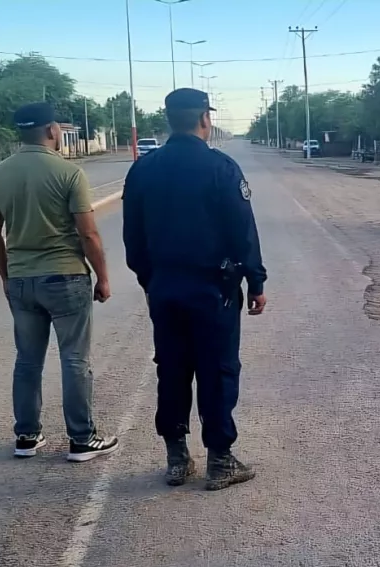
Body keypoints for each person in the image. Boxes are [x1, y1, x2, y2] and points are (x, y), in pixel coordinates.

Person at [123, 88, 268, 488]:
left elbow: (133, 237)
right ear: (205, 118)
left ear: (169, 120)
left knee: (171, 367)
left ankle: (176, 457)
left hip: (165, 288)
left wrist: (149, 279)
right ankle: (220, 460)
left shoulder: (143, 169)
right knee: (217, 369)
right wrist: (255, 280)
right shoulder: (221, 167)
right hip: (213, 290)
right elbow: (243, 231)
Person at [0, 102, 118, 462]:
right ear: (52, 130)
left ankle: (27, 436)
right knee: (74, 359)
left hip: (21, 279)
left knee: (28, 361)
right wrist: (103, 277)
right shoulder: (69, 173)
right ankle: (81, 439)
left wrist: (6, 275)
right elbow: (88, 234)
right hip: (65, 276)